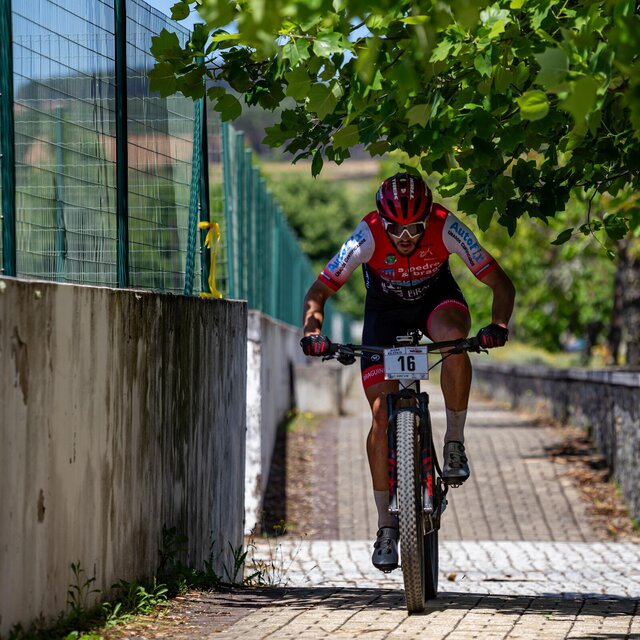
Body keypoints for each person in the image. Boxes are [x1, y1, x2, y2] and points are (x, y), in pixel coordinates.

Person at [300, 173, 515, 572]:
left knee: (454, 340)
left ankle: (454, 441)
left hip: (436, 302)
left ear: (428, 219)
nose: (405, 237)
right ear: (381, 221)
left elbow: (500, 283)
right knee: (381, 415)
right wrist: (313, 333)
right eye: (395, 228)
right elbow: (319, 292)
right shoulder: (365, 235)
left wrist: (498, 325)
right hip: (384, 315)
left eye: (415, 228)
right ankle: (386, 525)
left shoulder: (446, 225)